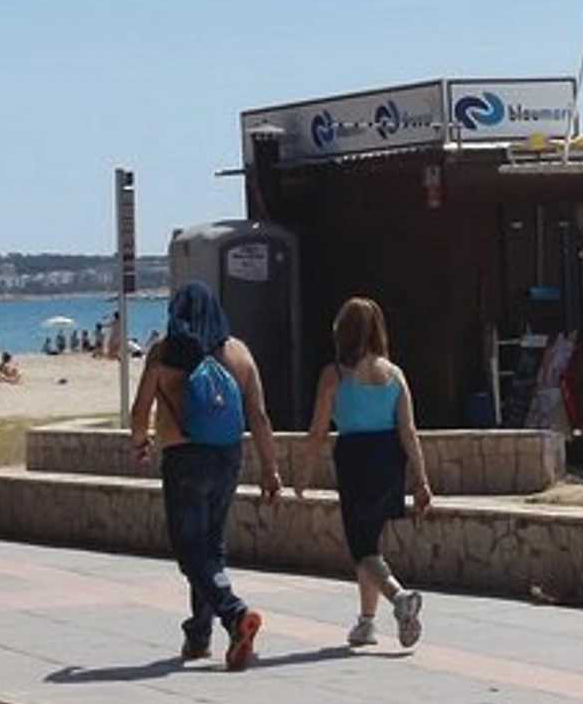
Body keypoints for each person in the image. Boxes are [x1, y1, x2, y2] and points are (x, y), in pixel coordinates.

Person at [129, 282, 282, 669]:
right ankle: (199, 636)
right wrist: (270, 469)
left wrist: (140, 441)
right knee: (210, 546)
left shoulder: (164, 352)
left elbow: (140, 409)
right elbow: (259, 416)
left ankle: (233, 613)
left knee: (189, 549)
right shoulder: (238, 353)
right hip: (228, 457)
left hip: (183, 458)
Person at [298, 297, 435, 649]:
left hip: (355, 458)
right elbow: (408, 430)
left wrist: (304, 473)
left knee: (361, 547)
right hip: (390, 458)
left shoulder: (334, 374)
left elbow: (318, 431)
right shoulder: (395, 374)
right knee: (371, 541)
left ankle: (399, 598)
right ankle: (366, 622)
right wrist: (421, 480)